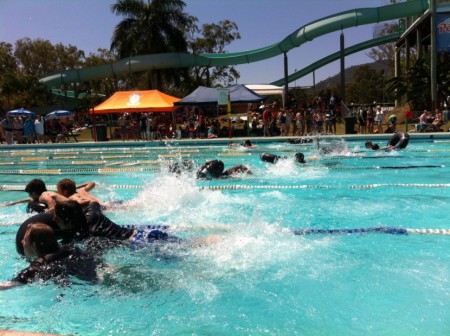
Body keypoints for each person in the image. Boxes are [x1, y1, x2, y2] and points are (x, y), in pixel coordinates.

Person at [2, 223, 100, 290]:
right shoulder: (73, 250)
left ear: (34, 245)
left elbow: (8, 286)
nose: (22, 242)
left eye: (25, 240)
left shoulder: (36, 268)